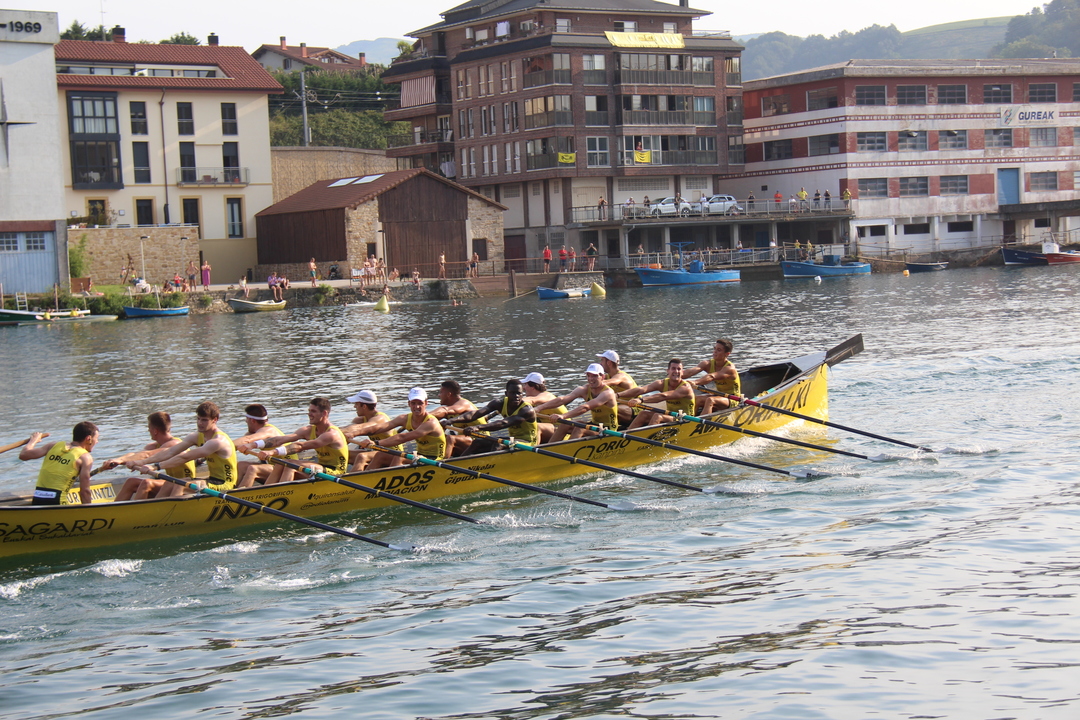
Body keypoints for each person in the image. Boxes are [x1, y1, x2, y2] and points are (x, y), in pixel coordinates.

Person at [127, 401, 238, 498]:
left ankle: (168, 511)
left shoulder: (218, 441)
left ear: (215, 420)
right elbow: (171, 451)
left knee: (180, 485)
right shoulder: (196, 436)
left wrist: (155, 467)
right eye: (198, 419)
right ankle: (156, 510)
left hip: (225, 485)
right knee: (170, 483)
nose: (200, 423)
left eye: (204, 420)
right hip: (211, 479)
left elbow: (185, 457)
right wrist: (142, 462)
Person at [250, 397, 350, 485]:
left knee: (290, 465)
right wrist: (253, 445)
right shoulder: (308, 430)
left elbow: (300, 446)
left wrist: (272, 452)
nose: (309, 414)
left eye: (313, 411)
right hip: (320, 466)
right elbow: (282, 439)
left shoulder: (331, 434)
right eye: (309, 411)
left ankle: (283, 493)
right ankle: (267, 491)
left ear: (324, 413)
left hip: (335, 472)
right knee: (282, 463)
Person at [108, 412, 197, 501]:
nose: (148, 430)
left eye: (149, 427)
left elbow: (147, 455)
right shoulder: (154, 445)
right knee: (131, 482)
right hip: (170, 483)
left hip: (186, 482)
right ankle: (113, 508)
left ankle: (138, 509)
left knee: (147, 483)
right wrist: (117, 460)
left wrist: (123, 461)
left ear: (155, 431)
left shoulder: (175, 443)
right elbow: (135, 455)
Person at [533, 363, 619, 442]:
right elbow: (562, 399)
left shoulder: (608, 393)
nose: (590, 379)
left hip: (608, 430)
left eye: (594, 376)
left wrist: (563, 415)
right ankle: (550, 447)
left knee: (580, 428)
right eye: (588, 376)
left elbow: (585, 407)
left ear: (602, 377)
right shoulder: (584, 389)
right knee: (565, 423)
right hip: (594, 424)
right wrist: (538, 408)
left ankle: (568, 449)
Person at [356, 387, 447, 461]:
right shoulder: (404, 418)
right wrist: (354, 433)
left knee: (399, 457)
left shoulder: (431, 423)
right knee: (380, 455)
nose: (417, 407)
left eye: (420, 403)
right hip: (420, 454)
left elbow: (403, 437)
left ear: (426, 403)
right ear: (409, 404)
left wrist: (376, 443)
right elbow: (381, 427)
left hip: (435, 459)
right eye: (413, 403)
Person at [451, 379, 540, 455]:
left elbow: (503, 423)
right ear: (506, 393)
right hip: (513, 439)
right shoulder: (499, 403)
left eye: (519, 393)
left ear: (522, 394)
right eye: (513, 393)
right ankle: (457, 464)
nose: (516, 396)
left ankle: (491, 466)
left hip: (527, 443)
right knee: (478, 442)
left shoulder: (526, 410)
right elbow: (475, 414)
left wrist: (478, 427)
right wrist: (450, 421)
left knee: (499, 444)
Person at [19, 422, 98, 505]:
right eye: (96, 438)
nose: (97, 441)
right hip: (58, 502)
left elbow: (23, 455)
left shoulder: (53, 445)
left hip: (37, 499)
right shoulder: (85, 457)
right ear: (88, 438)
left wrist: (33, 440)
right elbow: (84, 492)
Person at [618, 358, 696, 429]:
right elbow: (640, 390)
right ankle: (627, 435)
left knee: (658, 416)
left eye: (679, 369)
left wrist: (641, 400)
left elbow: (663, 396)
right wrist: (617, 395)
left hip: (686, 418)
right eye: (673, 368)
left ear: (682, 372)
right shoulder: (661, 383)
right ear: (668, 371)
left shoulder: (686, 387)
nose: (676, 371)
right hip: (671, 416)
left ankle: (647, 436)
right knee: (643, 414)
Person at [232, 404, 296, 488]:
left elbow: (248, 439)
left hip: (287, 470)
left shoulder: (268, 430)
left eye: (246, 419)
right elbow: (241, 441)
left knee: (253, 469)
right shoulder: (256, 432)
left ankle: (240, 494)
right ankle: (231, 490)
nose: (246, 422)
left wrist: (224, 446)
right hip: (275, 468)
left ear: (252, 420)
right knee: (241, 465)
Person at [341, 390, 403, 471]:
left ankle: (354, 477)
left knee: (362, 456)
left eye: (356, 404)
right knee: (346, 454)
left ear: (364, 406)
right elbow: (347, 428)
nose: (354, 406)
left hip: (393, 453)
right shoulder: (360, 419)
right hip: (377, 452)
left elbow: (362, 427)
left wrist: (350, 433)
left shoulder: (380, 419)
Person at [428, 379, 486, 456]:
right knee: (439, 438)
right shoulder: (449, 409)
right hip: (467, 443)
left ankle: (443, 461)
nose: (439, 395)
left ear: (449, 394)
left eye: (441, 392)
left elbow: (446, 410)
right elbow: (431, 419)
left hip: (481, 441)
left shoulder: (464, 403)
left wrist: (423, 415)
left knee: (451, 439)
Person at [682, 338, 741, 414]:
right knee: (697, 399)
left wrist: (695, 382)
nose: (715, 352)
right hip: (719, 395)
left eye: (719, 350)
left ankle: (703, 421)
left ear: (727, 354)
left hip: (733, 398)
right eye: (714, 349)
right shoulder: (708, 364)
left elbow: (711, 376)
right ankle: (690, 419)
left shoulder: (730, 369)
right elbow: (690, 372)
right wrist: (675, 375)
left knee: (710, 400)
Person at [595, 348, 639, 427]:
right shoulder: (607, 376)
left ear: (609, 363)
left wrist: (593, 383)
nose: (600, 363)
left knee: (609, 409)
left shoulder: (621, 376)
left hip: (635, 409)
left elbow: (612, 381)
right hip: (623, 408)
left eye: (602, 360)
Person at [520, 371, 568, 443]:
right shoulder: (533, 400)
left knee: (537, 427)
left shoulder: (547, 396)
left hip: (564, 431)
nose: (523, 388)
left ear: (532, 387)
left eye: (525, 384)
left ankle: (532, 448)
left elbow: (532, 400)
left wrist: (513, 401)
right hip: (551, 430)